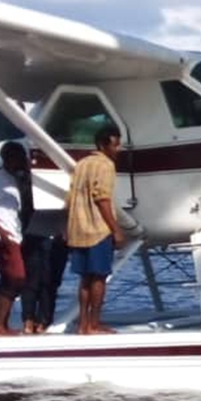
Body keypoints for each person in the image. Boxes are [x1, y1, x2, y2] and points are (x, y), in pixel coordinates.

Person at [65, 125, 125, 334]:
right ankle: (94, 324)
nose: (118, 149)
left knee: (85, 279)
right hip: (98, 229)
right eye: (115, 145)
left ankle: (83, 324)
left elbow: (70, 198)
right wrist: (116, 229)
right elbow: (102, 198)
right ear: (103, 145)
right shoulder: (106, 165)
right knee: (99, 277)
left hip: (78, 229)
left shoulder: (81, 164)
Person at [0, 142, 29, 335]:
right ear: (9, 159)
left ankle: (0, 324)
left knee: (9, 278)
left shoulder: (12, 178)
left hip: (11, 233)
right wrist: (1, 232)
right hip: (3, 235)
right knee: (16, 276)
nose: (24, 160)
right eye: (20, 157)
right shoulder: (1, 181)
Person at [20, 211, 69, 334]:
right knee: (49, 283)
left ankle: (30, 320)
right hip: (55, 235)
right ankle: (41, 320)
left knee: (33, 281)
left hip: (35, 232)